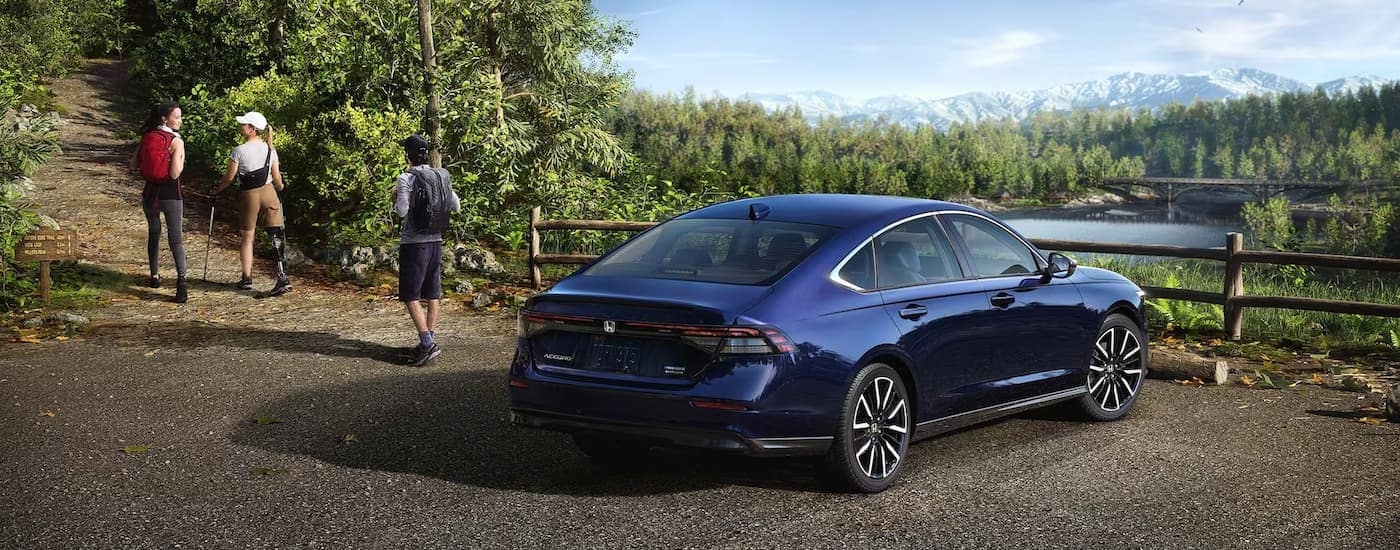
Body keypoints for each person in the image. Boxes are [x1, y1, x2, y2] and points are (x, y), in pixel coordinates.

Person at [394, 135, 460, 366]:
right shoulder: (439, 175)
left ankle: (426, 343)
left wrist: (397, 200)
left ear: (408, 155)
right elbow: (456, 205)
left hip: (414, 244)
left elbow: (402, 211)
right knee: (433, 293)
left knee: (410, 295)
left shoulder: (406, 178)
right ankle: (428, 339)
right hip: (436, 242)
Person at [212, 111, 291, 296]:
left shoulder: (239, 151)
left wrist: (216, 190)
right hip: (269, 192)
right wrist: (280, 187)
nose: (241, 127)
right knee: (276, 236)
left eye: (244, 124)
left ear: (252, 130)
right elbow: (277, 178)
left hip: (249, 196)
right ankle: (282, 276)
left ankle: (247, 278)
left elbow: (229, 178)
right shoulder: (271, 150)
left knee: (248, 238)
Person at [129, 101, 189, 303]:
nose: (180, 120)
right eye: (177, 117)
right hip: (171, 195)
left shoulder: (147, 136)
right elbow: (174, 174)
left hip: (150, 194)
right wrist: (179, 160)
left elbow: (133, 165)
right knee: (176, 240)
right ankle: (181, 283)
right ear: (166, 118)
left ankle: (154, 276)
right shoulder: (176, 141)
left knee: (154, 234)